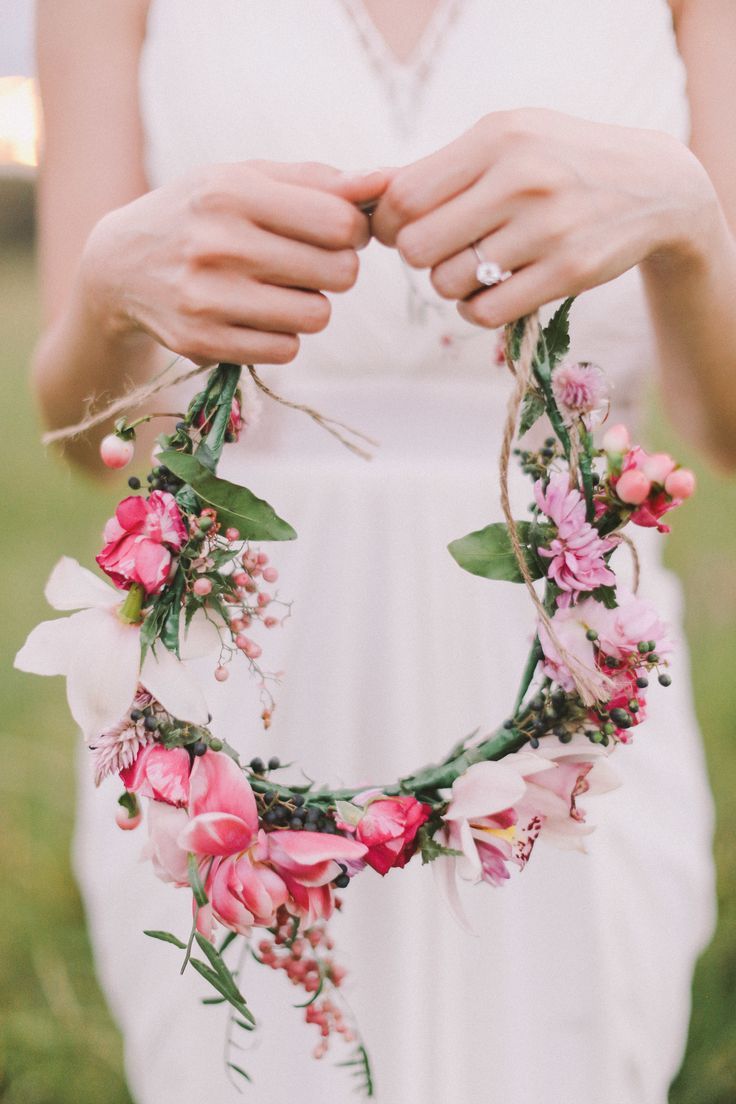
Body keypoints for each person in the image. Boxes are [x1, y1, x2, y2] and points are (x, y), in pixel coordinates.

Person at [33, 1, 735, 1101]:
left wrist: (686, 218)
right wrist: (108, 285)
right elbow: (85, 434)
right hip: (236, 669)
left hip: (560, 683)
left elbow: (727, 426)